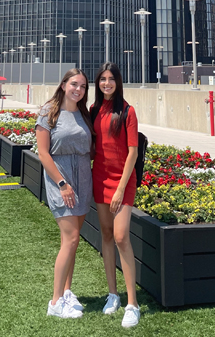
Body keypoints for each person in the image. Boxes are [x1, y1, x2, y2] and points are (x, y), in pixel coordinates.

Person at [35, 68, 94, 319]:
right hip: (62, 181)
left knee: (72, 241)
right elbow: (43, 152)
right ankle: (55, 302)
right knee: (69, 240)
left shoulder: (83, 113)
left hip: (83, 178)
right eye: (73, 84)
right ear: (63, 85)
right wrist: (62, 184)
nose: (78, 89)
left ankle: (67, 292)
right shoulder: (49, 111)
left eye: (82, 86)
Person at [91, 63, 141, 328]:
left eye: (111, 79)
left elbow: (132, 151)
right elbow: (93, 146)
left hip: (122, 181)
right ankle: (113, 295)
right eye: (102, 79)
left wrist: (121, 188)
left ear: (118, 82)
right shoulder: (94, 110)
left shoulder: (127, 111)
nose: (107, 83)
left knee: (121, 236)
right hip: (99, 177)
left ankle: (132, 303)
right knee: (107, 236)